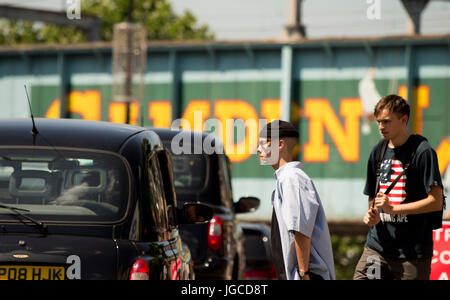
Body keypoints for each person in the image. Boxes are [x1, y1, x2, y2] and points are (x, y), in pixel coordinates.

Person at [354, 94, 445, 280]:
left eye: (386, 121)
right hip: (377, 248)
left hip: (412, 254)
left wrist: (394, 208)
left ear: (404, 120)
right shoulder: (378, 150)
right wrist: (373, 214)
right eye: (379, 121)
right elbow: (373, 196)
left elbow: (436, 202)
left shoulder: (423, 151)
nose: (380, 127)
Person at [257, 120, 335, 280]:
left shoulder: (292, 178)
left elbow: (300, 229)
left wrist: (303, 273)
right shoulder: (285, 179)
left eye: (264, 143)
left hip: (308, 275)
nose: (258, 149)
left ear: (280, 144)